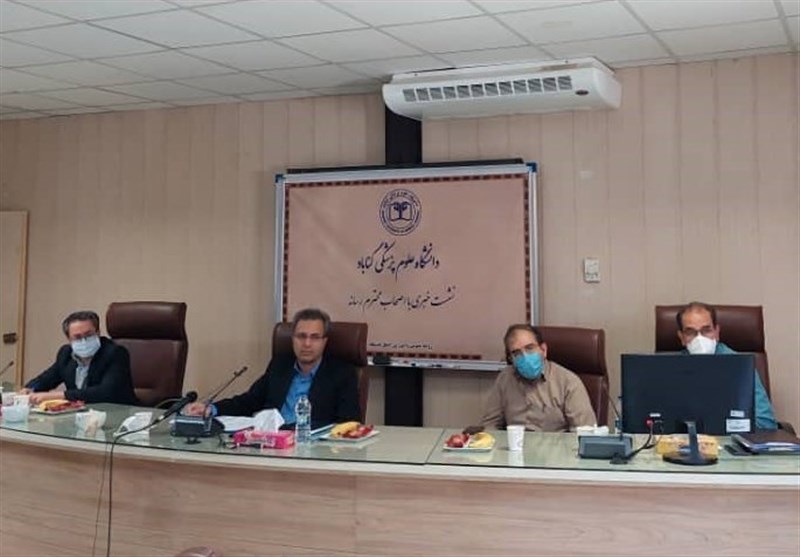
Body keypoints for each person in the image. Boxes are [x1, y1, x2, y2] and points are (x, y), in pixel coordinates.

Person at [184, 308, 360, 425]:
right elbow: (249, 401)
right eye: (301, 336)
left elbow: (348, 423)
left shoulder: (342, 374)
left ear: (324, 342)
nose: (307, 343)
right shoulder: (280, 366)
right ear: (293, 339)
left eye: (314, 337)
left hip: (313, 450)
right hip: (271, 444)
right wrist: (211, 408)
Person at [676, 301, 777, 430]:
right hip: (684, 439)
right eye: (691, 332)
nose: (700, 339)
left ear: (717, 332)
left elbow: (766, 423)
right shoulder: (672, 367)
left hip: (731, 438)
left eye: (706, 330)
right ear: (681, 337)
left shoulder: (740, 366)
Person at [481, 324, 597, 432]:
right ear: (511, 359)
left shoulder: (568, 382)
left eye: (530, 348)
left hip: (554, 446)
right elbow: (490, 425)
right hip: (515, 446)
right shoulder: (505, 378)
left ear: (543, 350)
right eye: (517, 353)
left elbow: (585, 433)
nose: (525, 357)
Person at [21, 310, 138, 405]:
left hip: (117, 414)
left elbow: (105, 392)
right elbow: (47, 378)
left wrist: (58, 396)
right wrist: (30, 389)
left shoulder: (115, 353)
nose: (84, 341)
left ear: (98, 333)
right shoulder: (66, 354)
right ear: (69, 340)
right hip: (80, 414)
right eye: (77, 337)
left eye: (89, 335)